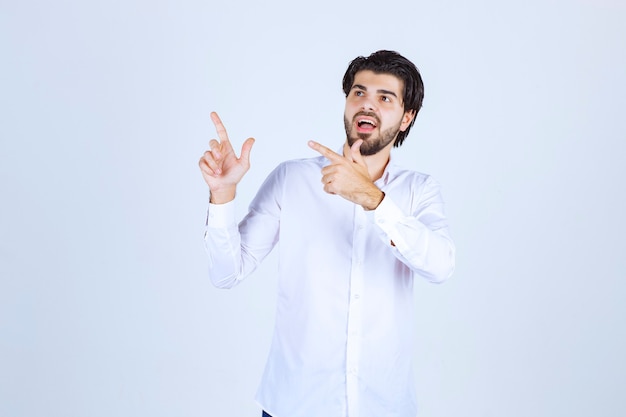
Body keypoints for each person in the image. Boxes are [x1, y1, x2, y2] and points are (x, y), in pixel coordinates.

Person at [199, 50, 455, 417]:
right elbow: (226, 273)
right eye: (359, 93)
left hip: (384, 407)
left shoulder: (419, 190)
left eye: (385, 98)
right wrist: (222, 195)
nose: (368, 105)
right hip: (293, 405)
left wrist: (371, 198)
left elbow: (441, 266)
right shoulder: (292, 179)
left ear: (406, 117)